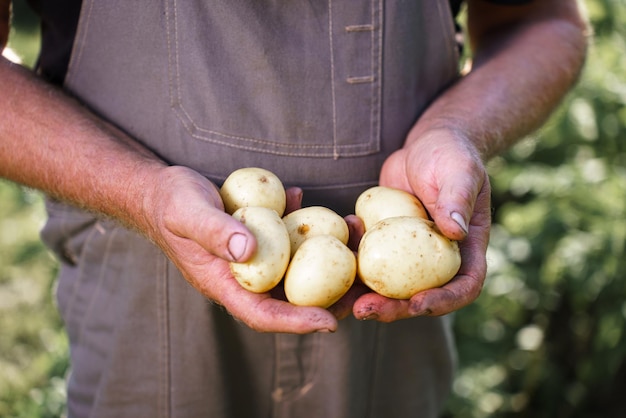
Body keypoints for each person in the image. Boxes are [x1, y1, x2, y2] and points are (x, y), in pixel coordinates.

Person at [0, 0, 587, 417]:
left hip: (391, 320)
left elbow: (541, 19)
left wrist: (458, 130)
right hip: (142, 305)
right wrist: (142, 193)